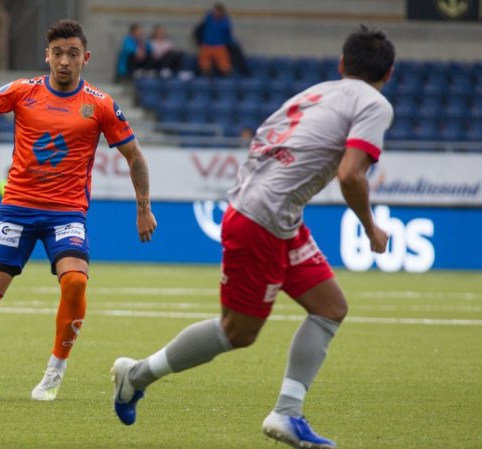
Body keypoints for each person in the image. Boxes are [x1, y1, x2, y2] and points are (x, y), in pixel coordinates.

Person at [112, 25, 395, 449]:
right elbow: (351, 174)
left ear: (341, 65)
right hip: (263, 218)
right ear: (388, 74)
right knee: (237, 332)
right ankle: (135, 375)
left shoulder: (315, 93)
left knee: (330, 307)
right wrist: (370, 226)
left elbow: (263, 140)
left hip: (273, 215)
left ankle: (287, 413)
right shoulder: (375, 104)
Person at [0, 19, 157, 401]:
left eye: (72, 54)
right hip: (17, 209)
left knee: (75, 282)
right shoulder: (22, 91)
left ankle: (54, 372)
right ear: (47, 55)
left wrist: (143, 207)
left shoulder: (100, 104)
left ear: (85, 58)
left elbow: (134, 155)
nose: (64, 61)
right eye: (57, 53)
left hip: (67, 213)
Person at [194, 3, 234, 76]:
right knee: (204, 67)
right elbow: (199, 29)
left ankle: (225, 82)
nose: (216, 13)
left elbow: (228, 35)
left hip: (219, 46)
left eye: (218, 11)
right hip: (206, 46)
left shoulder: (225, 22)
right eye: (215, 11)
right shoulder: (208, 18)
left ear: (222, 12)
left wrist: (229, 44)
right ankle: (206, 80)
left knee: (225, 68)